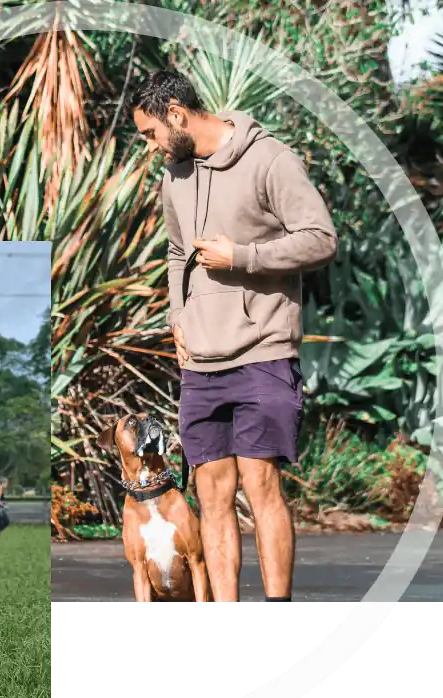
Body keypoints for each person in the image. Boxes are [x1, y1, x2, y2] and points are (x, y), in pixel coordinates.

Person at [130, 70, 337, 608]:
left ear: (176, 113)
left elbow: (320, 239)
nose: (152, 148)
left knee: (260, 484)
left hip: (263, 350)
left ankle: (278, 606)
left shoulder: (269, 159)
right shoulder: (174, 176)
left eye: (151, 133)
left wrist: (242, 257)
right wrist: (179, 319)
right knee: (211, 493)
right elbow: (178, 253)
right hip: (201, 360)